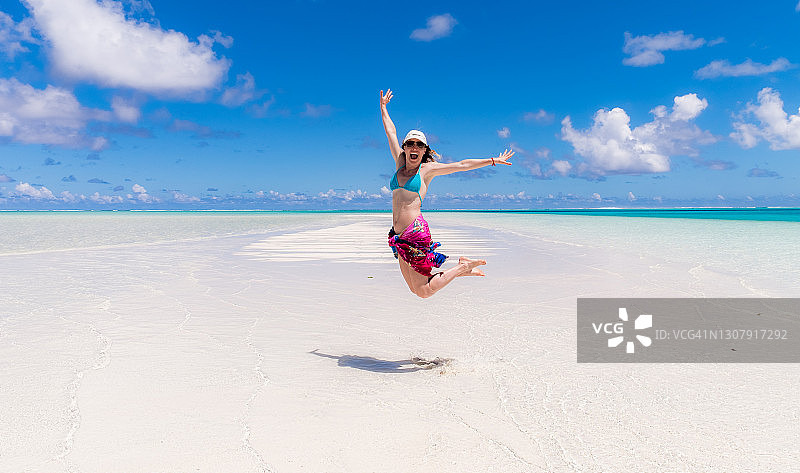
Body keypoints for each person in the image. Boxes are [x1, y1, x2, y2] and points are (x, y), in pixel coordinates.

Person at [380, 89, 513, 298]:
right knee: (416, 288)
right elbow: (391, 133)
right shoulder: (399, 163)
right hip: (398, 236)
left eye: (419, 145)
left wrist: (492, 160)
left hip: (415, 231)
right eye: (410, 144)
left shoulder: (427, 170)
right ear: (405, 148)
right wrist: (383, 107)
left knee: (423, 291)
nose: (414, 147)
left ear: (424, 150)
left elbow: (461, 165)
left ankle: (462, 267)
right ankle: (462, 269)